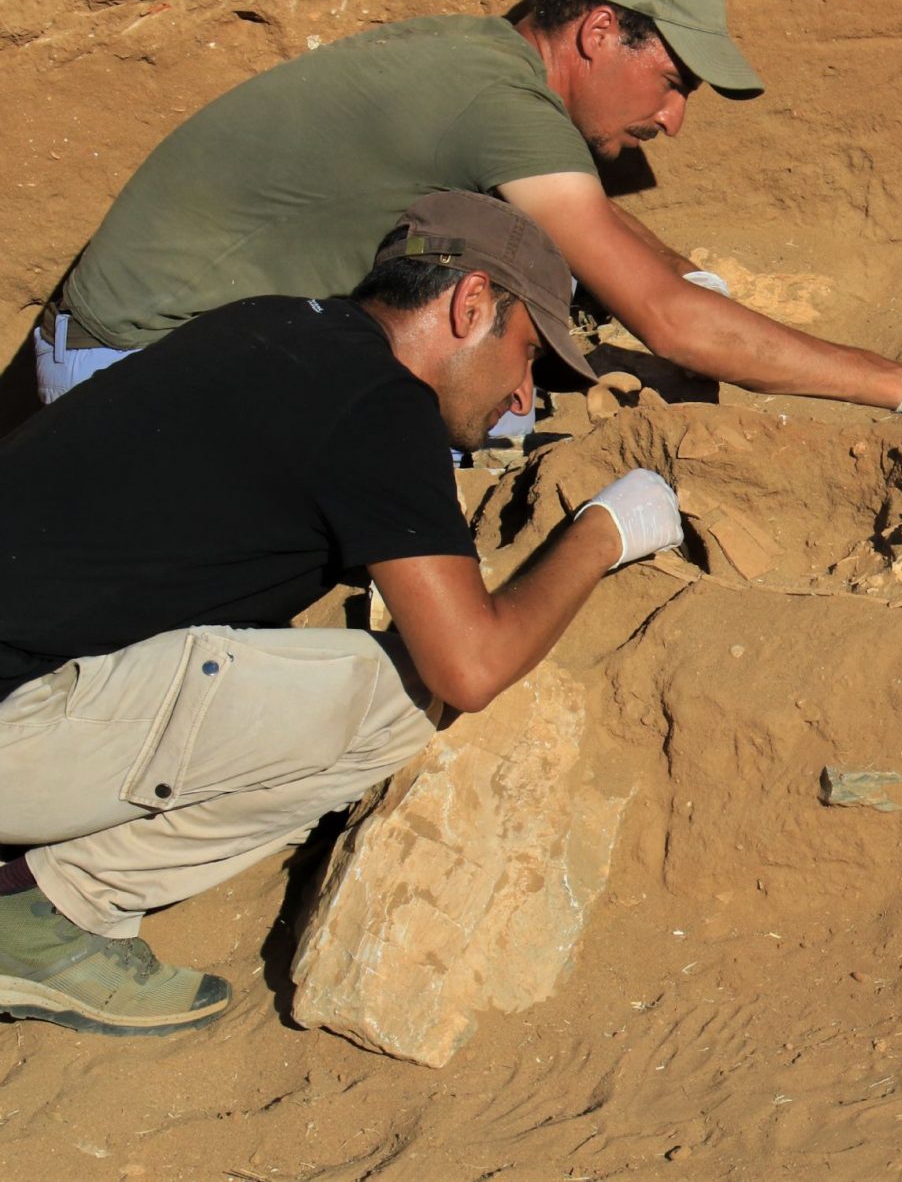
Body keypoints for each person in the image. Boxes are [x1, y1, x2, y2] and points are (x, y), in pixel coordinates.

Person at [0, 192, 689, 1035]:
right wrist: (602, 532)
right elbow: (470, 666)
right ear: (472, 303)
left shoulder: (270, 325)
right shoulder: (377, 402)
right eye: (529, 355)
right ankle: (46, 910)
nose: (522, 397)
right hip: (13, 734)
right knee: (396, 696)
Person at [35, 0, 902, 433]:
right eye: (672, 82)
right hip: (129, 373)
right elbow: (666, 324)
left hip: (134, 344)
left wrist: (686, 274)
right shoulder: (500, 103)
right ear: (599, 30)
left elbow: (586, 220)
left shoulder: (482, 66)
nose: (673, 119)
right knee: (439, 461)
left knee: (487, 418)